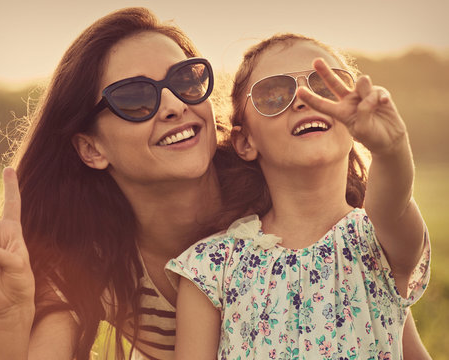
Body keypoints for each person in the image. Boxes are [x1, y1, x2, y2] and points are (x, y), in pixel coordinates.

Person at [0, 10, 430, 360]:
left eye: (185, 79)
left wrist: (388, 148)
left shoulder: (296, 197)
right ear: (91, 148)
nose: (172, 104)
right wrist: (9, 317)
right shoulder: (99, 267)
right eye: (134, 97)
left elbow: (389, 329)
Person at [168, 33, 431, 359]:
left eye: (325, 87)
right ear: (245, 141)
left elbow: (394, 205)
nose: (303, 98)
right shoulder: (210, 268)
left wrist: (390, 149)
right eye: (274, 95)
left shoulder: (377, 240)